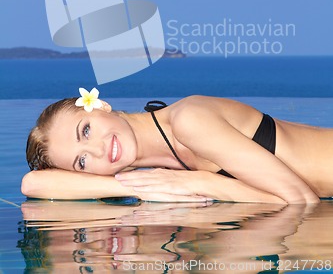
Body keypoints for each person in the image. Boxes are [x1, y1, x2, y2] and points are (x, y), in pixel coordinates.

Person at [22, 87, 329, 204]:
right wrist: (133, 188)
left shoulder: (188, 121)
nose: (98, 151)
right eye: (82, 162)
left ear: (100, 105)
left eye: (86, 130)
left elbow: (301, 201)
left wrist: (199, 182)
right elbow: (32, 183)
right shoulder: (162, 172)